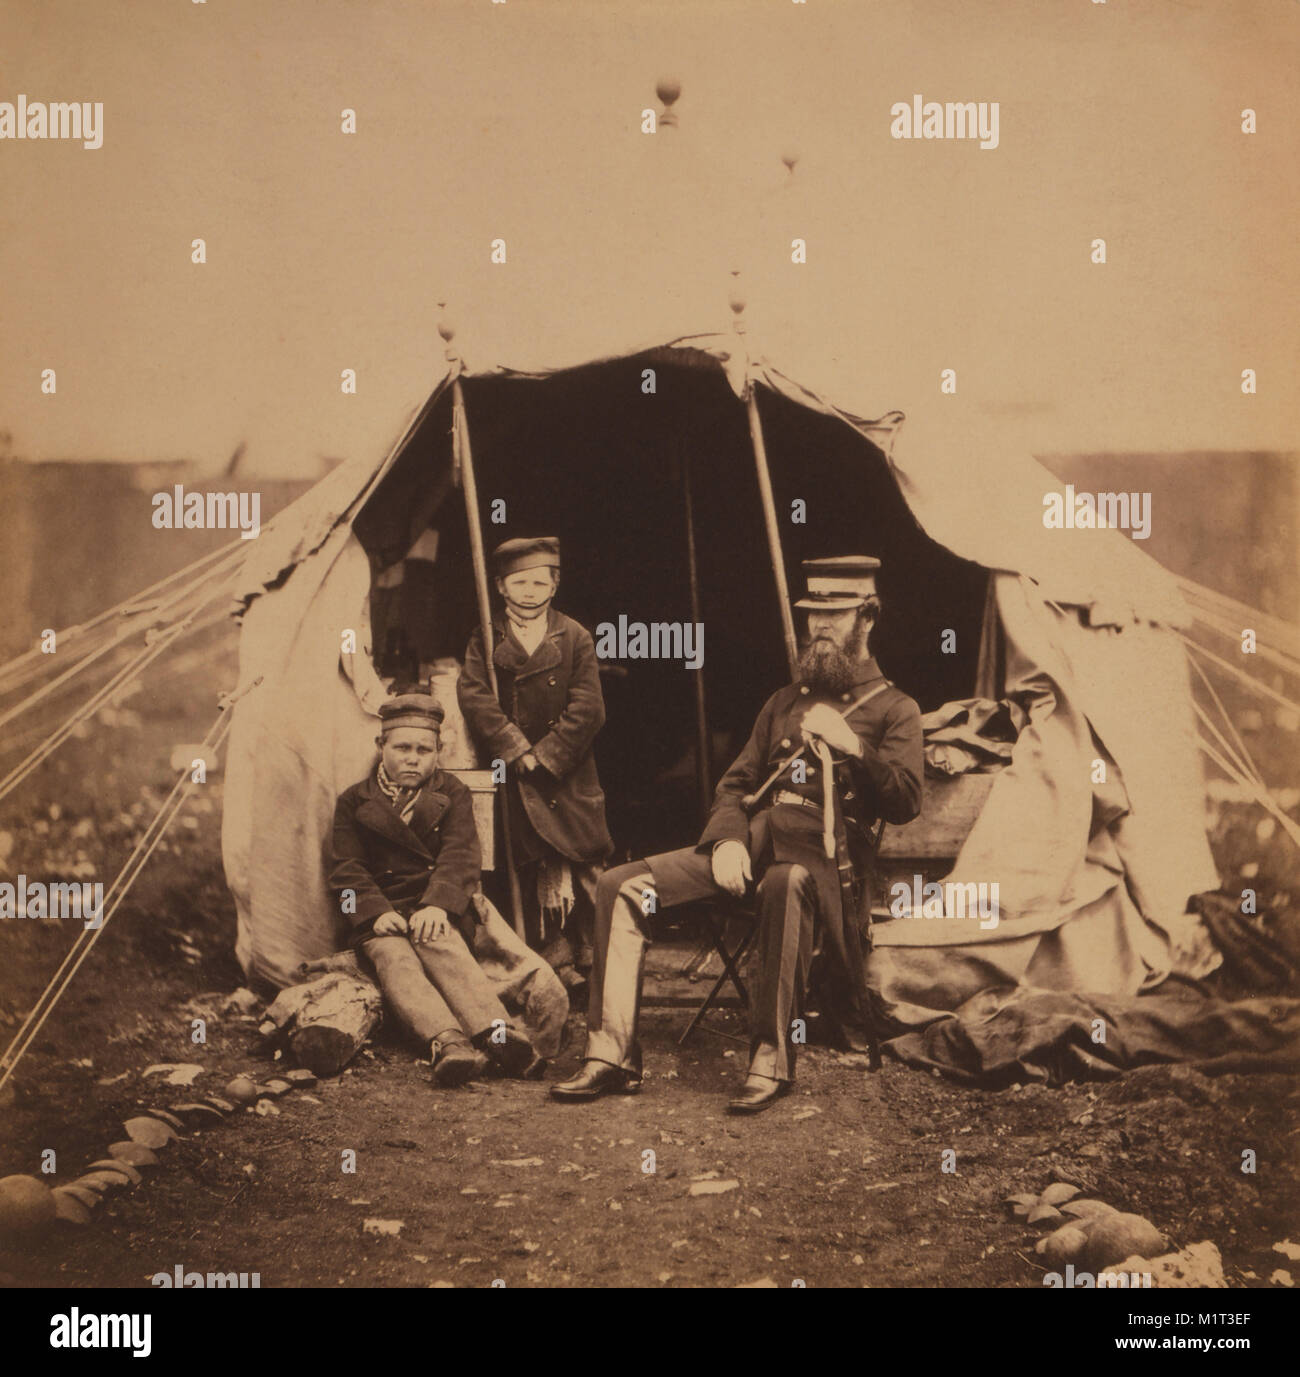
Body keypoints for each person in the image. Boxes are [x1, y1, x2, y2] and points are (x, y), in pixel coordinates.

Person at [551, 556, 924, 1114]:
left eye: (835, 614)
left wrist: (855, 748)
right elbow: (737, 785)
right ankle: (610, 1055)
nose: (819, 627)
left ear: (867, 619)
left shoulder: (897, 708)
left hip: (826, 864)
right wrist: (726, 841)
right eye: (812, 615)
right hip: (753, 846)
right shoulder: (781, 702)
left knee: (787, 883)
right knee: (620, 886)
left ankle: (770, 1062)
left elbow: (905, 802)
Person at [328, 690, 539, 1086]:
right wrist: (375, 913)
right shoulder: (353, 802)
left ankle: (500, 1035)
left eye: (424, 750)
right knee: (396, 960)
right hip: (383, 912)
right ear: (381, 746)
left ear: (439, 751)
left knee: (443, 944)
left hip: (433, 904)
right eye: (402, 747)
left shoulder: (453, 793)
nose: (412, 758)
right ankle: (448, 1043)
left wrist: (438, 905)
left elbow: (460, 855)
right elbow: (347, 870)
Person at [458, 537, 613, 983]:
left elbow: (589, 708)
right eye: (518, 581)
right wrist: (514, 747)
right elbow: (475, 696)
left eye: (538, 581)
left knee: (585, 863)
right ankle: (547, 960)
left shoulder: (574, 635)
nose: (529, 590)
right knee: (527, 867)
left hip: (568, 773)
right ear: (501, 587)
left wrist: (545, 755)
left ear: (555, 584)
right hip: (515, 773)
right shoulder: (486, 637)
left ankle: (598, 957)